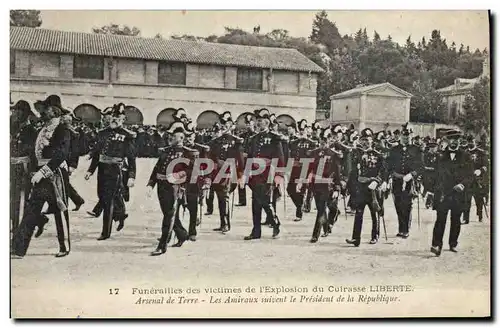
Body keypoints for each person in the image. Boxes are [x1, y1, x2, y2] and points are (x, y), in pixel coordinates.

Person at [11, 95, 72, 258]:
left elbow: (61, 154)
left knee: (60, 209)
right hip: (39, 173)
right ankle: (18, 249)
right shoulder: (42, 129)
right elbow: (34, 152)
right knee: (32, 209)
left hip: (55, 173)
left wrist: (44, 171)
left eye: (47, 109)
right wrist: (33, 170)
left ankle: (64, 246)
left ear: (54, 111)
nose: (43, 112)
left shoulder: (62, 130)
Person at [84, 103, 136, 240]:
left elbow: (131, 158)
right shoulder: (102, 133)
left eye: (118, 118)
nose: (115, 119)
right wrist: (90, 170)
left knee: (108, 200)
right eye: (113, 116)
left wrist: (131, 176)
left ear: (123, 120)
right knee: (102, 196)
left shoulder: (127, 136)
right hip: (102, 168)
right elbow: (97, 154)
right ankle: (120, 215)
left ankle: (105, 232)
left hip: (116, 170)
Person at [147, 121, 199, 255]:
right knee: (168, 214)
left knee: (169, 216)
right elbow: (157, 168)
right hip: (161, 186)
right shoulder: (166, 151)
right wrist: (150, 184)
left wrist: (177, 177)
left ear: (181, 138)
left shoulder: (189, 153)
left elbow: (192, 172)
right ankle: (182, 234)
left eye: (172, 135)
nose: (169, 137)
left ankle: (162, 245)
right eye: (169, 135)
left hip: (175, 188)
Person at [244, 108, 285, 240]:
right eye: (257, 121)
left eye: (260, 121)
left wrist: (279, 174)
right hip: (255, 175)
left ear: (267, 122)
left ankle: (275, 222)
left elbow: (280, 157)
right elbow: (249, 156)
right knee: (256, 202)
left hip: (268, 173)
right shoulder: (254, 138)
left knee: (265, 201)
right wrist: (246, 172)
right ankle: (256, 231)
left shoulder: (275, 138)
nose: (257, 123)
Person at [431, 131, 473, 256]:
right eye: (451, 139)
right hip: (443, 193)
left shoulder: (466, 156)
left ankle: (453, 243)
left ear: (459, 141)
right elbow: (434, 175)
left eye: (456, 139)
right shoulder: (440, 155)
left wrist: (463, 184)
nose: (454, 142)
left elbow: (470, 175)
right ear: (447, 141)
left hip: (458, 193)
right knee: (440, 220)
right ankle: (437, 244)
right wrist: (431, 191)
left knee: (456, 219)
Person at [346, 128, 387, 247]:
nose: (365, 142)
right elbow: (353, 172)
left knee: (375, 212)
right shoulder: (356, 154)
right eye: (363, 140)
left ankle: (375, 236)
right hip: (361, 188)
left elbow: (383, 172)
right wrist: (351, 187)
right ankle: (355, 238)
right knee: (359, 213)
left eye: (368, 140)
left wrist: (378, 181)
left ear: (372, 141)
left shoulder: (378, 155)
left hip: (373, 188)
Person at [207, 111, 244, 233]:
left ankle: (226, 224)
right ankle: (223, 222)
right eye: (222, 124)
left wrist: (240, 175)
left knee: (224, 197)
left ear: (231, 125)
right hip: (217, 172)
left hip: (229, 172)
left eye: (226, 124)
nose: (223, 126)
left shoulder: (236, 141)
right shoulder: (215, 141)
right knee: (220, 197)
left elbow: (240, 159)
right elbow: (210, 157)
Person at [306, 127, 342, 243]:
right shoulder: (314, 153)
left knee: (322, 210)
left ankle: (315, 235)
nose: (323, 144)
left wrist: (337, 188)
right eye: (321, 141)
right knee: (321, 208)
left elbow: (337, 173)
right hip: (316, 185)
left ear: (329, 141)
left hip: (328, 186)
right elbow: (309, 168)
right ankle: (326, 228)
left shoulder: (334, 154)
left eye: (325, 141)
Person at [387, 124, 423, 239]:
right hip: (397, 180)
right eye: (404, 136)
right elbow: (389, 165)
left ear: (411, 136)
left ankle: (405, 229)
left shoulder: (416, 150)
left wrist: (412, 174)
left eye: (408, 136)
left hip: (409, 182)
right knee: (398, 204)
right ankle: (401, 228)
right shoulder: (394, 150)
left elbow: (420, 166)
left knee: (406, 205)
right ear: (400, 136)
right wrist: (392, 175)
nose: (405, 138)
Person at [10, 100, 38, 232]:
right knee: (12, 197)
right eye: (14, 110)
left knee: (22, 199)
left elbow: (34, 152)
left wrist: (32, 171)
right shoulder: (13, 127)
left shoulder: (31, 130)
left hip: (24, 168)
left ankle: (19, 226)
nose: (14, 112)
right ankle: (14, 223)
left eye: (17, 110)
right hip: (11, 167)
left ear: (24, 113)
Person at [286, 119, 317, 222]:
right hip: (295, 168)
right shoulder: (295, 142)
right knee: (290, 189)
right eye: (301, 130)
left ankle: (299, 212)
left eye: (305, 130)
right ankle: (300, 205)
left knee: (301, 190)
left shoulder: (312, 143)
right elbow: (291, 151)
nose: (303, 132)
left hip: (305, 168)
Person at [461, 135, 489, 224]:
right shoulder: (464, 153)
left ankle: (480, 215)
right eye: (468, 142)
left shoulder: (481, 153)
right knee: (466, 200)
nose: (470, 143)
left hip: (478, 180)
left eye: (472, 142)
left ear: (475, 142)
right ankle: (466, 218)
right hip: (468, 180)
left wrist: (480, 171)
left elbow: (486, 166)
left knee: (479, 199)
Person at [236, 114, 257, 207]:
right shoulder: (243, 135)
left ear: (253, 124)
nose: (249, 126)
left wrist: (248, 153)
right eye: (247, 124)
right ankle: (242, 200)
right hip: (242, 161)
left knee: (252, 180)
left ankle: (256, 196)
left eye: (250, 124)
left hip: (251, 160)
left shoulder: (256, 136)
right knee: (240, 178)